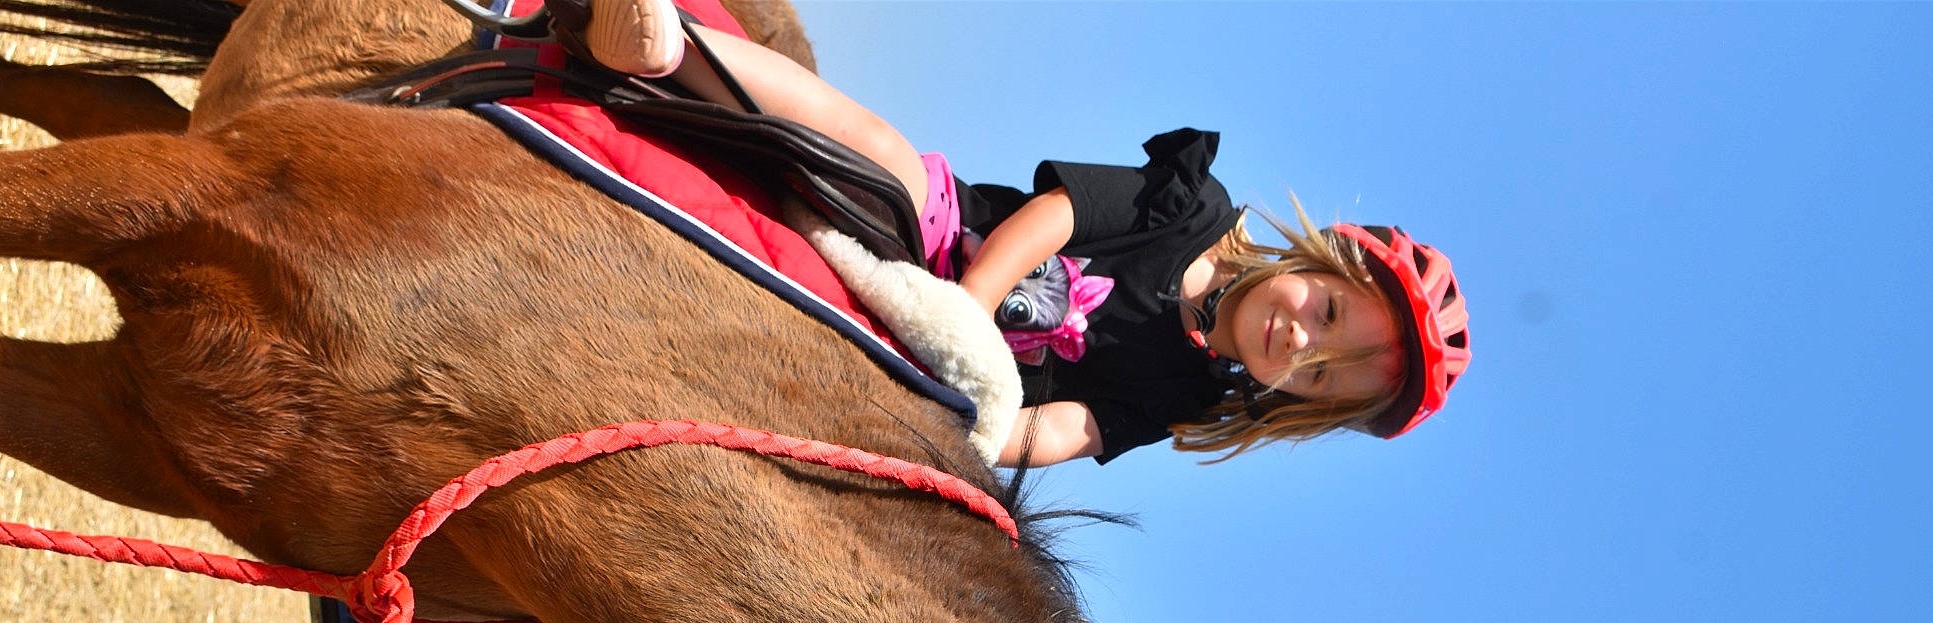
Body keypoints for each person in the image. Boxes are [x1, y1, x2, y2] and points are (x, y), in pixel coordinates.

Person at [576, 0, 1472, 469]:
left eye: (1315, 371)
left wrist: (990, 435)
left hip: (943, 385)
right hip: (946, 244)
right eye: (1325, 311)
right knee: (881, 152)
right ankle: (672, 49)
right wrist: (960, 318)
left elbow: (1073, 427)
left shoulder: (1184, 397)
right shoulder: (1195, 208)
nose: (1299, 338)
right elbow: (1061, 216)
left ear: (1296, 403)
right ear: (1320, 261)